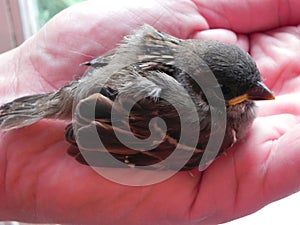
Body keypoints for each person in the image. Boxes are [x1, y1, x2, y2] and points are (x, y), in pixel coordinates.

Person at [0, 0, 300, 224]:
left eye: (254, 84)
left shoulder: (186, 51)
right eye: (239, 93)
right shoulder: (209, 127)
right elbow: (132, 142)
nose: (260, 94)